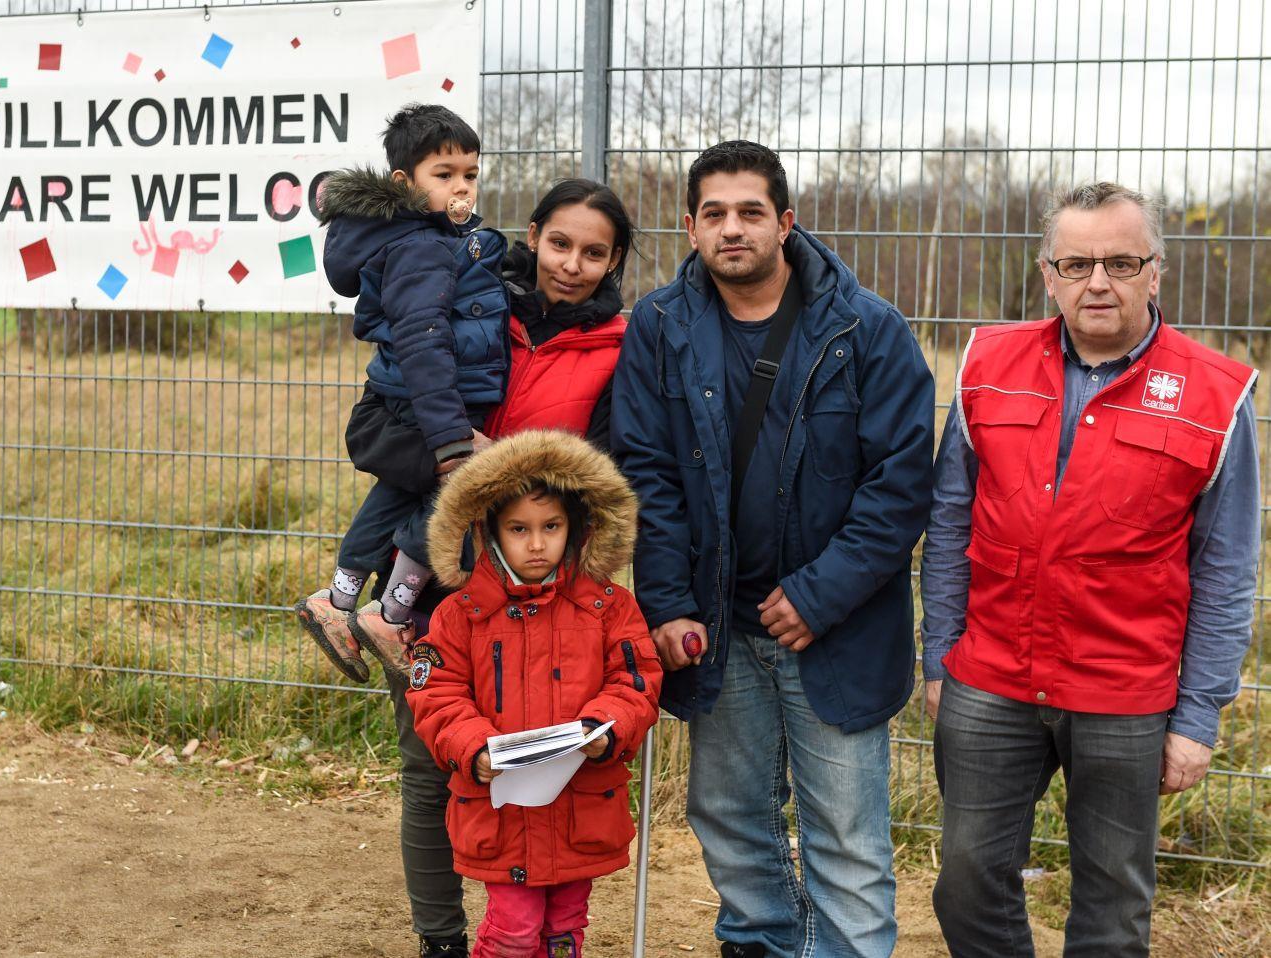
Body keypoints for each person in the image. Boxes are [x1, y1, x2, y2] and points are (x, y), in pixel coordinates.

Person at [610, 140, 935, 958]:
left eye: (750, 212)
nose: (732, 229)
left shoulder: (868, 329)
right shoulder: (657, 327)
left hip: (837, 630)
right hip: (715, 627)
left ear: (785, 223)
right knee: (727, 818)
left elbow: (900, 484)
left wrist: (819, 595)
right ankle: (760, 943)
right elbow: (644, 472)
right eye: (712, 214)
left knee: (848, 842)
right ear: (688, 227)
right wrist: (669, 603)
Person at [920, 182, 1261, 957]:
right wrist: (940, 652)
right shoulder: (987, 364)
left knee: (1111, 904)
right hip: (991, 678)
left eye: (1118, 261)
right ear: (1047, 274)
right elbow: (947, 522)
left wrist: (1196, 716)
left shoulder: (1212, 393)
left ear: (1154, 272)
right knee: (966, 877)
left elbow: (1226, 569)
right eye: (1076, 263)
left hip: (1125, 690)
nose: (1096, 281)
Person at [329, 181, 640, 958]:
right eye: (559, 243)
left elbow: (610, 469)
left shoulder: (620, 350)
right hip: (442, 579)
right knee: (433, 768)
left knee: (546, 776)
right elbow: (376, 428)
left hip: (546, 588)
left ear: (613, 263)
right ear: (532, 236)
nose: (571, 265)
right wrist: (459, 477)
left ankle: (542, 932)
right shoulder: (467, 309)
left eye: (593, 252)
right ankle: (440, 938)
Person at [407, 429, 662, 958]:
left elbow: (636, 681)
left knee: (566, 927)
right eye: (519, 529)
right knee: (514, 927)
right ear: (489, 531)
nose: (538, 543)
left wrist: (603, 727)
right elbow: (436, 693)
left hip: (581, 807)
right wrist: (474, 748)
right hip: (500, 810)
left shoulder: (610, 607)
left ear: (579, 527)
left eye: (552, 527)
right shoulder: (460, 615)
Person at [295, 102, 508, 683]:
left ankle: (337, 601)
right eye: (444, 176)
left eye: (469, 173)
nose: (461, 187)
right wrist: (449, 439)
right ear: (405, 183)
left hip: (418, 399)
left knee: (393, 495)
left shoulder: (432, 238)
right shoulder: (420, 246)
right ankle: (391, 613)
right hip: (433, 404)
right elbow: (424, 338)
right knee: (446, 496)